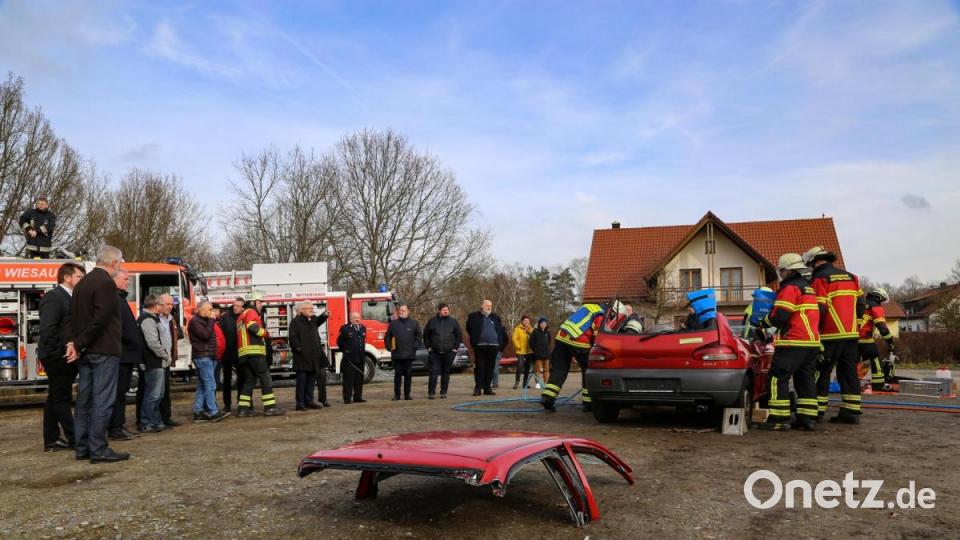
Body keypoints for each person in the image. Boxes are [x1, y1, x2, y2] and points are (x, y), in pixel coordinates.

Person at [64, 245, 129, 463]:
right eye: (120, 262)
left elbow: (71, 317)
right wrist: (79, 343)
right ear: (114, 263)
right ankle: (99, 449)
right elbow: (101, 319)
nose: (120, 266)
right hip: (103, 349)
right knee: (102, 400)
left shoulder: (82, 283)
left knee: (85, 401)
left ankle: (83, 447)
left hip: (86, 351)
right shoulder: (106, 283)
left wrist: (75, 343)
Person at [755, 253, 821, 431]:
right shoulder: (808, 288)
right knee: (805, 380)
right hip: (812, 343)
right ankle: (807, 419)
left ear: (788, 270)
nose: (781, 274)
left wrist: (762, 323)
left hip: (793, 341)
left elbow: (781, 316)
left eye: (782, 271)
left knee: (777, 378)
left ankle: (779, 419)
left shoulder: (790, 288)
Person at [803, 246, 864, 424]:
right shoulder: (852, 277)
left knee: (821, 371)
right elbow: (861, 304)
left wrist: (814, 330)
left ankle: (817, 411)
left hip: (830, 335)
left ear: (814, 262)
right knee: (849, 372)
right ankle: (851, 412)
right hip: (851, 335)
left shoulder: (820, 279)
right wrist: (854, 324)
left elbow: (820, 308)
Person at [38, 262, 85, 452]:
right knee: (61, 397)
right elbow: (47, 329)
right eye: (79, 277)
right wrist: (62, 351)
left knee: (55, 396)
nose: (82, 280)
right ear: (67, 277)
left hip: (65, 354)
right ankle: (74, 438)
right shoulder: (54, 297)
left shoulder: (72, 297)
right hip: (58, 356)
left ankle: (51, 439)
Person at [540, 303, 615, 413]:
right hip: (579, 340)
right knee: (588, 370)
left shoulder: (588, 307)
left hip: (562, 337)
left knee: (559, 370)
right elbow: (597, 337)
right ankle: (588, 403)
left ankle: (547, 398)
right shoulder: (600, 314)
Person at [236, 292, 285, 416]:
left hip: (244, 354)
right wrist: (265, 333)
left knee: (249, 381)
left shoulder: (241, 316)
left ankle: (243, 409)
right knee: (265, 378)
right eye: (260, 302)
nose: (261, 305)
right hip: (255, 352)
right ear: (253, 302)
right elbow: (252, 328)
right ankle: (270, 408)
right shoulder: (251, 312)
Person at [108, 269, 141, 441]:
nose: (128, 282)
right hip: (121, 354)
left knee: (121, 393)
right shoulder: (114, 299)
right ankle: (116, 428)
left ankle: (119, 425)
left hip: (126, 354)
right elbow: (117, 328)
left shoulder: (120, 298)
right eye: (126, 279)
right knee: (118, 394)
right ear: (115, 281)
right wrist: (130, 340)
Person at [188, 301, 229, 423]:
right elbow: (205, 335)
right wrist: (211, 321)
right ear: (201, 310)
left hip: (207, 356)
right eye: (210, 309)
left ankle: (198, 412)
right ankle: (213, 411)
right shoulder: (195, 321)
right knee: (210, 385)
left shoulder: (203, 321)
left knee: (202, 385)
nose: (212, 312)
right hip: (203, 357)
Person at [288, 301, 330, 410]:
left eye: (312, 308)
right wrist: (298, 348)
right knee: (302, 382)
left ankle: (309, 401)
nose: (312, 310)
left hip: (313, 357)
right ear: (302, 310)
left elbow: (319, 320)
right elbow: (292, 337)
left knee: (311, 381)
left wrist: (324, 315)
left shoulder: (313, 320)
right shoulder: (295, 322)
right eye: (309, 308)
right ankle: (300, 403)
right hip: (302, 357)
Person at [138, 294, 170, 433]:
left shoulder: (151, 318)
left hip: (156, 362)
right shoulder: (148, 320)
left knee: (157, 395)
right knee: (153, 395)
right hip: (153, 362)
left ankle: (156, 421)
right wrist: (164, 355)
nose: (163, 307)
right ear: (156, 306)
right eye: (162, 305)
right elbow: (152, 342)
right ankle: (147, 422)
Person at [465, 300, 507, 396]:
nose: (489, 307)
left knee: (490, 367)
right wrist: (475, 338)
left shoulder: (496, 317)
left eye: (490, 306)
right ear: (482, 306)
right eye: (487, 305)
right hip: (480, 345)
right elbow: (469, 328)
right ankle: (478, 388)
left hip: (493, 346)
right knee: (479, 367)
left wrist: (500, 343)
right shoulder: (473, 316)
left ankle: (487, 388)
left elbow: (499, 331)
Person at [859, 288, 897, 391]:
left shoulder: (860, 304)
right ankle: (878, 385)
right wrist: (890, 341)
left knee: (859, 362)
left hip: (852, 338)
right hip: (865, 339)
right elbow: (883, 328)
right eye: (882, 300)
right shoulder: (875, 307)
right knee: (875, 359)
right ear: (878, 298)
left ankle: (854, 383)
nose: (882, 303)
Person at [422, 303, 463, 399]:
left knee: (446, 373)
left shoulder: (453, 322)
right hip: (434, 353)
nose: (446, 311)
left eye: (447, 310)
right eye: (444, 310)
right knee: (433, 373)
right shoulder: (432, 321)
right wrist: (428, 347)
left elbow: (459, 336)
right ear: (439, 311)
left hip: (449, 353)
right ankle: (431, 393)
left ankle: (443, 392)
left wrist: (455, 348)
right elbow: (426, 335)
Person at [384, 304, 422, 401]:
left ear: (408, 311)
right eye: (400, 310)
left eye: (403, 310)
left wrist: (415, 345)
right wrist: (389, 347)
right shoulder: (393, 324)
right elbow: (387, 336)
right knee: (397, 375)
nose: (401, 312)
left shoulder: (414, 323)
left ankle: (407, 395)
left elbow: (418, 336)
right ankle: (397, 395)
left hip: (409, 354)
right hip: (397, 354)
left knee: (408, 375)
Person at [157, 294, 182, 428]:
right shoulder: (155, 318)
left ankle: (166, 417)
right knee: (157, 392)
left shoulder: (172, 319)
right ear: (160, 304)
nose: (170, 307)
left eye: (172, 304)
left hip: (167, 359)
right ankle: (156, 419)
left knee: (166, 391)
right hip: (158, 359)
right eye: (167, 304)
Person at [219, 297, 244, 412]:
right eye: (234, 305)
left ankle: (242, 403)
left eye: (238, 306)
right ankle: (227, 404)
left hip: (241, 352)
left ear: (242, 308)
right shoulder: (225, 317)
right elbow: (221, 335)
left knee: (242, 378)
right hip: (227, 353)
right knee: (227, 380)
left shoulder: (244, 317)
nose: (235, 307)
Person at [337, 312, 367, 404]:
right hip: (349, 359)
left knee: (359, 379)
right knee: (348, 380)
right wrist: (346, 351)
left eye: (358, 317)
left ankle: (358, 397)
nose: (357, 319)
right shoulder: (345, 328)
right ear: (350, 319)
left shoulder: (363, 328)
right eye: (354, 317)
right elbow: (339, 342)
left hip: (360, 357)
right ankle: (347, 398)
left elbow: (362, 341)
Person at [511, 315, 534, 390]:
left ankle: (525, 384)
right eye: (525, 321)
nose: (526, 322)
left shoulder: (532, 330)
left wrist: (529, 331)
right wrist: (518, 346)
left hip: (529, 351)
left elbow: (535, 338)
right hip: (520, 350)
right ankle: (517, 382)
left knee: (527, 367)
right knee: (520, 365)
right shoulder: (517, 329)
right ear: (522, 321)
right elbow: (514, 338)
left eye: (528, 321)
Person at [528, 318, 551, 387]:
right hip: (538, 354)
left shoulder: (547, 333)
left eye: (544, 324)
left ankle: (546, 382)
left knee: (546, 369)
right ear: (539, 324)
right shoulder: (535, 332)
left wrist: (547, 350)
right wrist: (535, 349)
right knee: (537, 369)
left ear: (546, 325)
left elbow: (549, 342)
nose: (543, 325)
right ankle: (538, 383)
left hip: (546, 354)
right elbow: (531, 342)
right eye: (542, 323)